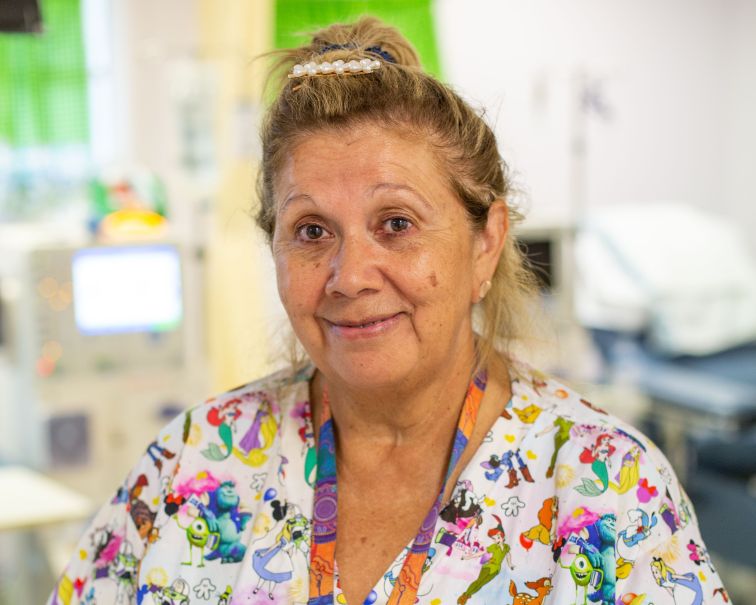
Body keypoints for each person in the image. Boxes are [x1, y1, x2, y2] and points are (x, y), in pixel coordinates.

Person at [47, 17, 728, 605]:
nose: (349, 276)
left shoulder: (607, 489)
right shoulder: (191, 465)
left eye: (396, 222)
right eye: (312, 231)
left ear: (486, 242)